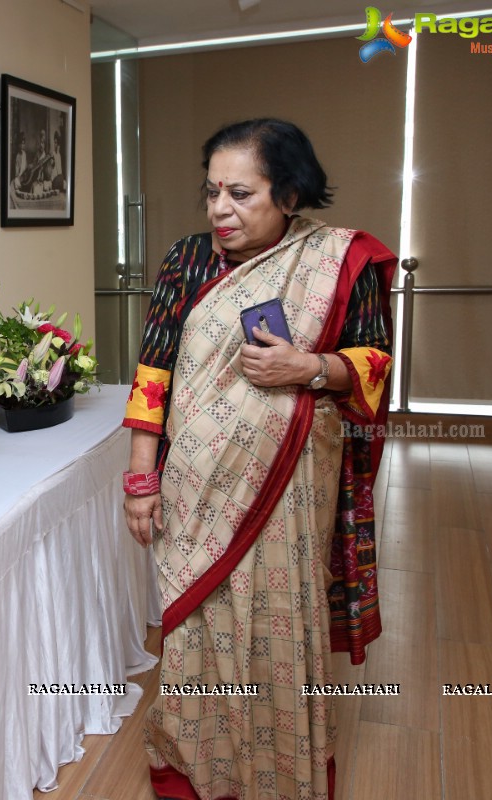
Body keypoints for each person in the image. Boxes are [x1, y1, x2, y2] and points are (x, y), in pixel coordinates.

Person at [122, 118, 396, 800]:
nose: (220, 209)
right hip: (195, 481)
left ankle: (283, 768)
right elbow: (153, 371)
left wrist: (310, 366)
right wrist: (139, 478)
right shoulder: (187, 260)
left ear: (291, 195)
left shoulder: (339, 262)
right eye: (213, 191)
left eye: (241, 193)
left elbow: (375, 367)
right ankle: (195, 766)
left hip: (291, 485)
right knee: (199, 618)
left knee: (279, 620)